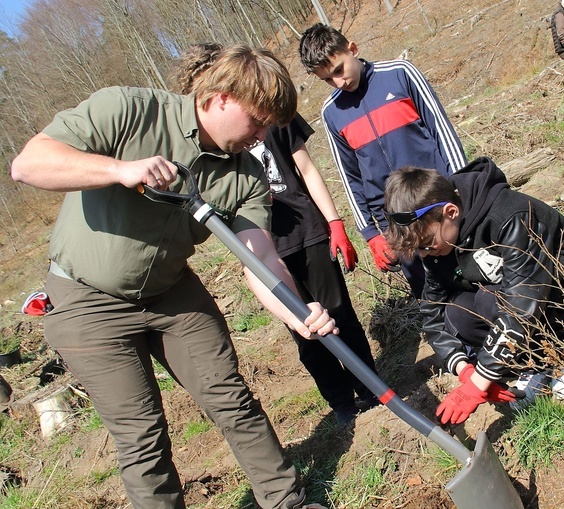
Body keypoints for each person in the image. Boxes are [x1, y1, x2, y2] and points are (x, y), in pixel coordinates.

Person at [10, 44, 332, 509]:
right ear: (221, 97)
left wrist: (299, 311)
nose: (261, 136)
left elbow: (259, 257)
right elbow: (29, 164)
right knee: (141, 432)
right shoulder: (127, 109)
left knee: (230, 397)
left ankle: (285, 500)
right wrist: (119, 170)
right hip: (86, 301)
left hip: (171, 293)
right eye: (257, 121)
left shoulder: (246, 176)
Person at [172, 43, 380, 427]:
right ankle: (340, 401)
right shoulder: (207, 143)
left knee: (339, 316)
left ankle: (370, 388)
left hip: (308, 230)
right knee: (304, 331)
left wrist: (334, 223)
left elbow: (307, 169)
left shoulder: (277, 110)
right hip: (265, 243)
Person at [382, 157, 564, 425]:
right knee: (458, 314)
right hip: (508, 288)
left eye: (427, 244)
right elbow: (433, 313)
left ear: (451, 212)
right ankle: (537, 362)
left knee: (492, 300)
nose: (425, 253)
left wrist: (479, 382)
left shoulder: (508, 215)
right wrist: (465, 370)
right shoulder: (436, 242)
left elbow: (524, 300)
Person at [298, 23, 467, 299]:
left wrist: (463, 182)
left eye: (339, 70)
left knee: (470, 277)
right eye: (328, 80)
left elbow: (441, 130)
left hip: (437, 202)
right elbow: (350, 176)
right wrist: (370, 232)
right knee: (431, 300)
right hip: (396, 222)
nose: (338, 82)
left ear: (352, 49)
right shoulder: (332, 113)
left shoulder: (400, 73)